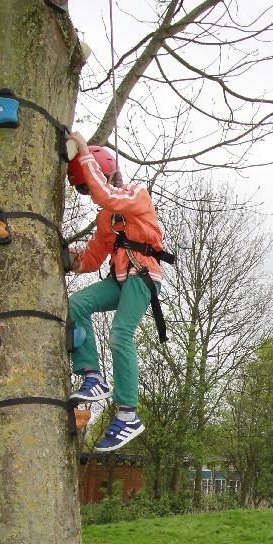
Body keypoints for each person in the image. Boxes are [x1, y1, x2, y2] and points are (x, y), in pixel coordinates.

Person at [65, 131, 165, 453]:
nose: (89, 193)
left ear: (104, 172)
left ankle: (128, 414)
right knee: (77, 303)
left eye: (88, 185)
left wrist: (83, 153)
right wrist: (70, 260)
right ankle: (92, 375)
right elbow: (94, 258)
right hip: (120, 280)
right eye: (84, 189)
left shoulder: (136, 195)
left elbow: (108, 195)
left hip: (142, 275)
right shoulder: (105, 218)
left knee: (120, 334)